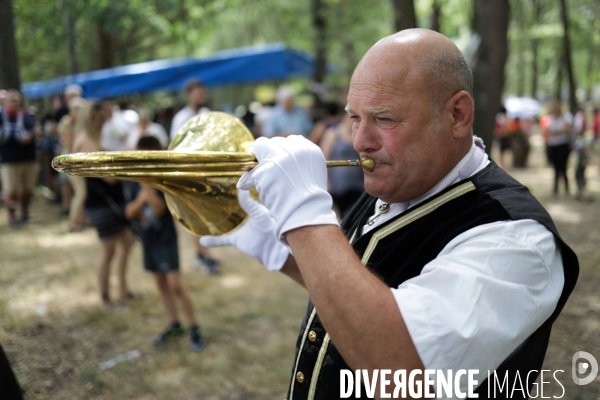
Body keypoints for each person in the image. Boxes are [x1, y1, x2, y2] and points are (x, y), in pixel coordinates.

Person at [201, 29, 578, 399]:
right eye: (354, 118)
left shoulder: (515, 237)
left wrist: (305, 217)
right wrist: (278, 248)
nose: (360, 140)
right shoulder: (402, 178)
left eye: (384, 119)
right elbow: (375, 282)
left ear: (458, 116)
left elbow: (404, 374)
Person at [125, 136, 204, 351]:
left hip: (166, 239)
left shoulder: (164, 181)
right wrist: (141, 198)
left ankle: (194, 328)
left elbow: (160, 209)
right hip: (148, 239)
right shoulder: (133, 181)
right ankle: (174, 324)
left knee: (175, 284)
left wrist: (148, 190)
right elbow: (129, 212)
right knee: (160, 284)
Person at [74, 101, 135, 311]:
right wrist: (129, 168)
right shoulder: (87, 142)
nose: (104, 122)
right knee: (108, 252)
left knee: (126, 243)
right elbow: (107, 178)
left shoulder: (91, 139)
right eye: (101, 118)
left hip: (108, 203)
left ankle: (124, 290)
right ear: (92, 118)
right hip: (101, 204)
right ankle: (106, 300)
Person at [169, 79, 219, 274]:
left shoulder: (208, 114)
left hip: (207, 172)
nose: (201, 97)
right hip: (190, 173)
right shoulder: (181, 118)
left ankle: (204, 253)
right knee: (196, 214)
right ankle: (203, 254)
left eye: (203, 93)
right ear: (189, 95)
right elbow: (175, 146)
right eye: (198, 93)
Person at [0, 90, 37, 227]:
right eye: (11, 100)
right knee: (11, 191)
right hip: (9, 160)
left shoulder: (26, 116)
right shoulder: (1, 116)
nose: (14, 103)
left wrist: (32, 135)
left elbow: (34, 130)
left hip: (28, 159)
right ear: (6, 102)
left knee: (27, 189)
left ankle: (24, 212)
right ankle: (11, 216)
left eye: (17, 100)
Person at [319, 114, 364, 216]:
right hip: (338, 184)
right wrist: (326, 182)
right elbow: (324, 159)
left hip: (358, 183)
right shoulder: (333, 133)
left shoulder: (357, 135)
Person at [58, 96, 87, 231]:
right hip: (70, 161)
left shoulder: (75, 123)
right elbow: (72, 144)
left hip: (75, 160)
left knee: (79, 192)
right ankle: (73, 222)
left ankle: (81, 219)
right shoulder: (67, 123)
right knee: (81, 192)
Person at [543, 101, 573, 196]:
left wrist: (554, 132)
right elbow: (546, 130)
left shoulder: (566, 117)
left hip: (563, 146)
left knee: (563, 167)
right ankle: (555, 189)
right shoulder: (550, 118)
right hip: (553, 146)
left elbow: (566, 130)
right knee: (555, 168)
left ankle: (566, 188)